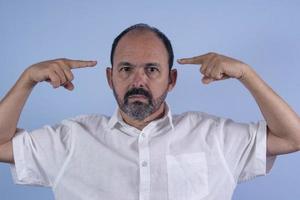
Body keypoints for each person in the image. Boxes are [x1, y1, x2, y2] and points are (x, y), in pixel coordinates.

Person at [0, 23, 299, 200]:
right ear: (110, 78)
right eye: (126, 69)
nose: (138, 80)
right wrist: (27, 79)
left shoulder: (215, 136)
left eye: (152, 70)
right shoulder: (70, 140)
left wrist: (247, 74)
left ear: (171, 80)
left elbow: (292, 138)